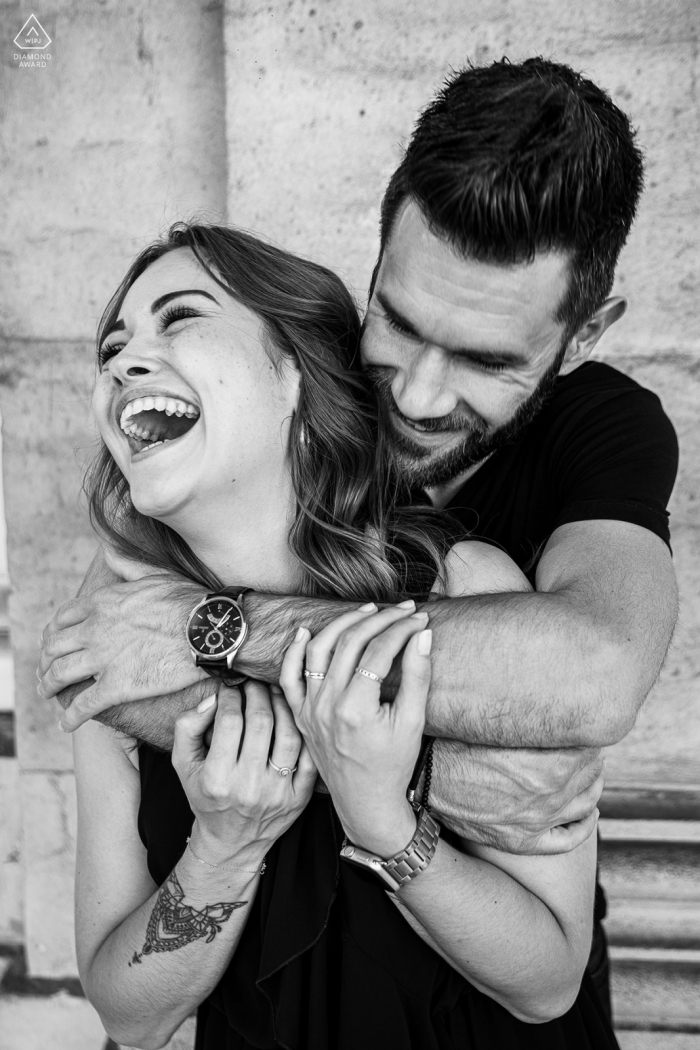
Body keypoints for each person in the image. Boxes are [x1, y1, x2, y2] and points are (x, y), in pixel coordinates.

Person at [39, 57, 679, 1015]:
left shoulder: (577, 458)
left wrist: (206, 635)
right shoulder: (144, 567)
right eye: (397, 318)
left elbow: (594, 673)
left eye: (485, 360)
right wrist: (228, 840)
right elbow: (128, 1007)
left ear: (582, 338)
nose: (414, 397)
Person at [71, 219, 618, 1049]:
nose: (121, 360)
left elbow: (546, 986)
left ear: (294, 374)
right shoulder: (117, 647)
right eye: (113, 346)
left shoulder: (461, 590)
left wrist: (385, 823)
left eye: (178, 318)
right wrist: (222, 850)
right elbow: (128, 1017)